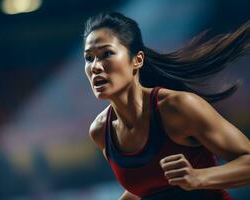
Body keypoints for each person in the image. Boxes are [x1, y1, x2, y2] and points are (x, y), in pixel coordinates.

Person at [83, 11, 250, 200]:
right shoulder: (100, 131)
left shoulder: (176, 107)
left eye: (106, 54)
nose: (95, 66)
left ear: (137, 60)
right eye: (89, 58)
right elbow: (147, 187)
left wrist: (199, 177)